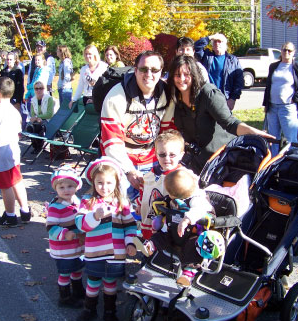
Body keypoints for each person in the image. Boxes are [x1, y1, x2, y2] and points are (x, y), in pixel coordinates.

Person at [168, 55, 273, 174]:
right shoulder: (175, 97)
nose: (181, 79)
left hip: (219, 160)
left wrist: (254, 133)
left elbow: (230, 123)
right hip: (195, 160)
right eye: (177, 75)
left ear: (194, 75)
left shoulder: (208, 94)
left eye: (186, 74)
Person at [73, 157, 137, 321]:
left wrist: (130, 243)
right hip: (95, 252)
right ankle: (89, 309)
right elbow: (80, 225)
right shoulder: (88, 201)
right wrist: (94, 216)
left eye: (109, 182)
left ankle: (110, 312)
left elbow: (130, 226)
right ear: (93, 182)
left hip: (116, 254)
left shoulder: (122, 203)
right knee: (93, 281)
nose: (104, 187)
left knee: (110, 283)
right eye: (100, 182)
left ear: (116, 182)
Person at [100, 50, 175, 194]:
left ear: (161, 72)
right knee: (121, 209)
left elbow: (167, 134)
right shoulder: (115, 97)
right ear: (135, 71)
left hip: (153, 158)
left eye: (154, 70)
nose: (149, 74)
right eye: (143, 69)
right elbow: (111, 142)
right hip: (120, 160)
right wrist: (129, 171)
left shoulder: (167, 94)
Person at [136, 169, 214, 287]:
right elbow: (164, 203)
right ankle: (150, 245)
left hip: (192, 234)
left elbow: (200, 210)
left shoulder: (197, 199)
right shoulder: (173, 198)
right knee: (160, 236)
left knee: (193, 247)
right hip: (173, 231)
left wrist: (187, 219)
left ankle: (188, 273)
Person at [0, 77, 31, 227]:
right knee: (17, 180)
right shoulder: (14, 111)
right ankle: (25, 210)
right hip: (13, 151)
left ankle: (10, 215)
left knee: (6, 186)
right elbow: (18, 132)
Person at [136, 130, 193, 240]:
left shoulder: (183, 176)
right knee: (148, 242)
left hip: (168, 223)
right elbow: (144, 190)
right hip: (149, 218)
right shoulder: (150, 175)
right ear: (156, 154)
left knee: (163, 245)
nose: (166, 158)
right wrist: (139, 204)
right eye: (162, 155)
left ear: (181, 155)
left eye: (172, 155)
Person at [46, 165, 86, 307]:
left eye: (70, 186)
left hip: (77, 245)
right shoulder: (55, 207)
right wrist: (64, 233)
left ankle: (78, 291)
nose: (66, 190)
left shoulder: (77, 201)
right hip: (63, 248)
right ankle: (64, 297)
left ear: (76, 186)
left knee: (77, 268)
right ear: (56, 189)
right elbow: (50, 227)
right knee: (65, 273)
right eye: (61, 187)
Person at [263, 42, 298, 156]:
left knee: (290, 139)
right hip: (272, 107)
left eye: (289, 51)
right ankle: (272, 163)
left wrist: (294, 99)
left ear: (294, 53)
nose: (286, 52)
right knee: (272, 139)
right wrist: (266, 105)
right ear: (281, 51)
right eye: (284, 50)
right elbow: (268, 86)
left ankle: (291, 162)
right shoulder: (273, 66)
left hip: (288, 108)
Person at [194, 33, 243, 110]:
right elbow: (196, 47)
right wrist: (210, 37)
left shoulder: (233, 60)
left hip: (225, 98)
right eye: (215, 41)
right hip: (207, 97)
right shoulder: (206, 56)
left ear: (225, 44)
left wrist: (233, 99)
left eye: (220, 41)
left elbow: (238, 81)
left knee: (223, 121)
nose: (217, 43)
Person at [26, 81, 55, 153]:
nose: (38, 90)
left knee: (39, 127)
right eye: (36, 89)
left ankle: (39, 147)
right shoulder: (33, 100)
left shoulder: (49, 99)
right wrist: (35, 118)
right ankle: (36, 146)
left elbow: (50, 114)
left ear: (44, 89)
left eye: (41, 88)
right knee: (29, 127)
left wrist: (38, 117)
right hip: (37, 120)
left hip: (48, 120)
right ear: (34, 90)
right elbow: (32, 113)